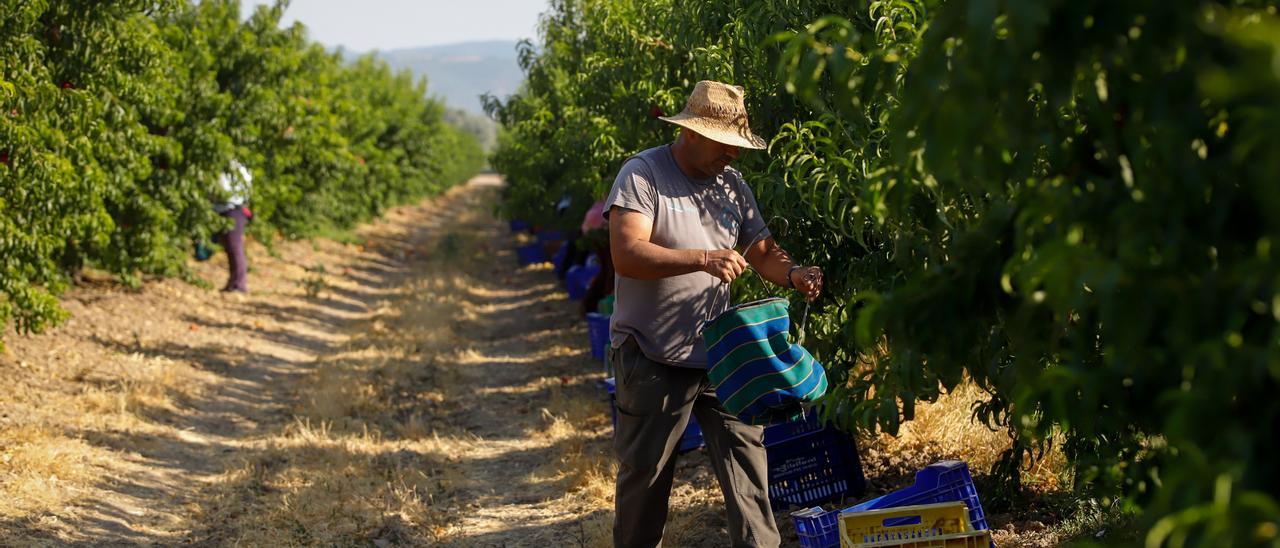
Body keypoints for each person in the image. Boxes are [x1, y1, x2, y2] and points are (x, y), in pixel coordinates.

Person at [605, 80, 823, 548]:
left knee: (748, 465)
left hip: (722, 354)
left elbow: (762, 251)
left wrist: (794, 274)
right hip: (652, 351)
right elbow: (626, 254)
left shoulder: (732, 184)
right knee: (647, 477)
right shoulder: (643, 175)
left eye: (737, 145)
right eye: (725, 143)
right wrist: (702, 258)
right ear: (692, 133)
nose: (733, 154)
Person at [214, 159, 252, 293]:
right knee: (231, 248)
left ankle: (239, 284)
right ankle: (234, 282)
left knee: (234, 247)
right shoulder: (238, 167)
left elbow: (224, 192)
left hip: (232, 209)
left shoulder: (233, 168)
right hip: (227, 208)